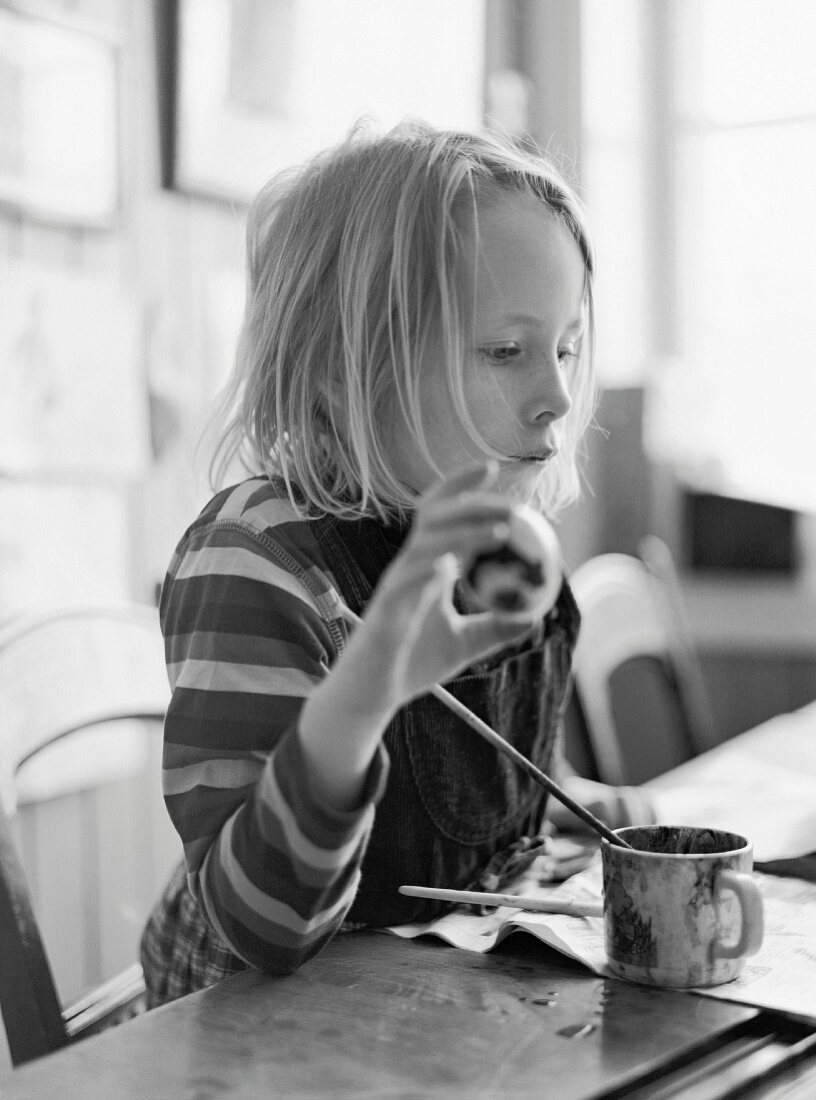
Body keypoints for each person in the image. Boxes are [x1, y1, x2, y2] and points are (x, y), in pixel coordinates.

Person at [140, 119, 653, 1007]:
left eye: (566, 347)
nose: (559, 396)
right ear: (347, 369)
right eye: (506, 351)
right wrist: (362, 697)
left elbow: (504, 804)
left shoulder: (498, 541)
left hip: (445, 1009)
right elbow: (262, 926)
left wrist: (604, 814)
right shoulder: (258, 562)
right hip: (265, 1045)